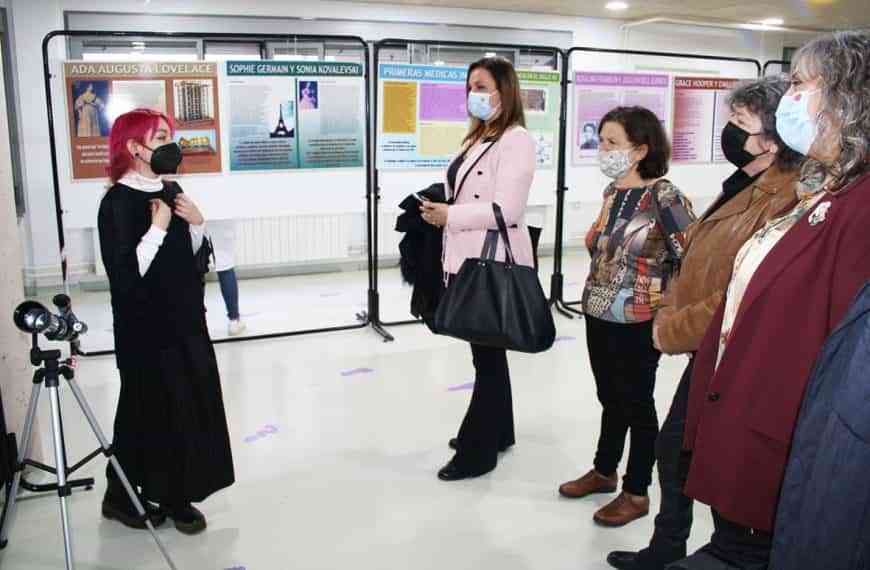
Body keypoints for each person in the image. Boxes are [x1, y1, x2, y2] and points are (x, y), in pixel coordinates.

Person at [672, 31, 870, 569]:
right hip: (746, 421)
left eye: (802, 84)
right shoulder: (825, 190)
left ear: (848, 98)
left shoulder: (859, 209)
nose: (789, 99)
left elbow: (838, 362)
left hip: (782, 453)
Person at [605, 77, 802, 570]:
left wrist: (670, 326)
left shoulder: (785, 196)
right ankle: (667, 548)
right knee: (677, 452)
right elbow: (696, 259)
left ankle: (721, 554)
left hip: (734, 348)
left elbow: (743, 288)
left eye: (740, 123)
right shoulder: (746, 184)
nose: (728, 133)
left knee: (708, 460)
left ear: (772, 138)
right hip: (708, 345)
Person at [97, 108, 235, 535]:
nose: (170, 143)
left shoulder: (173, 189)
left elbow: (191, 262)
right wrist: (156, 228)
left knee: (187, 407)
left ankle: (179, 495)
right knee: (144, 413)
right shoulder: (116, 202)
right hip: (145, 331)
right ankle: (120, 496)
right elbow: (125, 277)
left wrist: (196, 225)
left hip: (185, 323)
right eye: (160, 136)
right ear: (134, 147)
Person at [559, 106, 696, 527]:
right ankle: (604, 470)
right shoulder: (613, 193)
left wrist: (669, 316)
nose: (603, 149)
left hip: (639, 318)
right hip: (597, 311)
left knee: (637, 405)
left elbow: (691, 258)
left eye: (612, 142)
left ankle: (636, 491)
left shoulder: (664, 195)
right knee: (609, 397)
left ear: (640, 149)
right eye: (601, 141)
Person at [419, 56, 536, 481]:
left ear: (504, 92)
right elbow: (470, 190)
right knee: (487, 354)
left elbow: (507, 208)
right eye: (471, 86)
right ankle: (499, 431)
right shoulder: (480, 137)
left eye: (482, 86)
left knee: (487, 358)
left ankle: (478, 450)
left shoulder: (516, 140)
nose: (474, 94)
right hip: (468, 257)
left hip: (493, 261)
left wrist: (450, 215)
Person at [209, 219, 246, 336]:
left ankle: (195, 321)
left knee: (196, 265)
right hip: (222, 216)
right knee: (225, 264)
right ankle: (234, 319)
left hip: (193, 210)